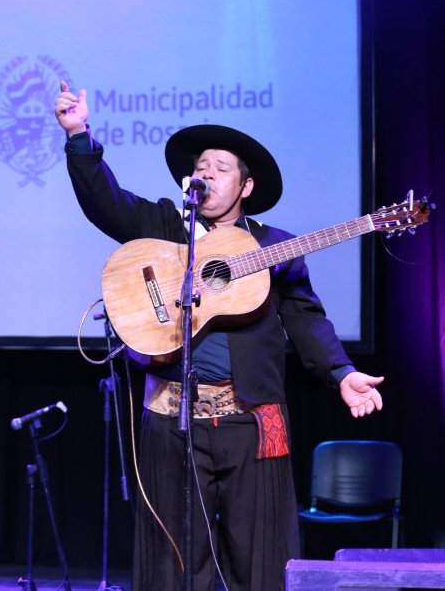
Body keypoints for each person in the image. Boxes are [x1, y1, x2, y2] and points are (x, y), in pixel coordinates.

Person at [54, 81, 385, 590]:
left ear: (245, 188)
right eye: (201, 165)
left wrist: (340, 373)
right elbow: (106, 203)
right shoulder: (165, 225)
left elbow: (306, 318)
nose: (205, 171)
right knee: (175, 563)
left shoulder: (275, 246)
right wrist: (79, 135)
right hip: (172, 420)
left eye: (221, 167)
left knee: (262, 555)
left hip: (250, 420)